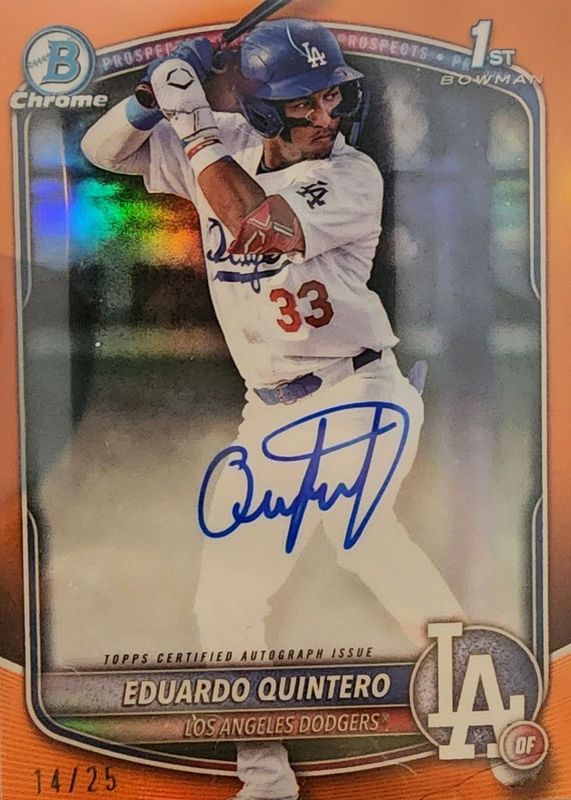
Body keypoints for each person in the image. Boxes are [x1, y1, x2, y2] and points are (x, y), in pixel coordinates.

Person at [82, 18, 464, 800]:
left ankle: (478, 709)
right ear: (260, 110)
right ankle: (264, 782)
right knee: (224, 600)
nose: (326, 115)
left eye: (331, 97)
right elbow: (101, 151)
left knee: (363, 540)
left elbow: (256, 228)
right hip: (270, 412)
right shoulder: (222, 143)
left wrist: (189, 121)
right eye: (303, 102)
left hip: (357, 392)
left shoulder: (349, 176)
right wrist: (152, 98)